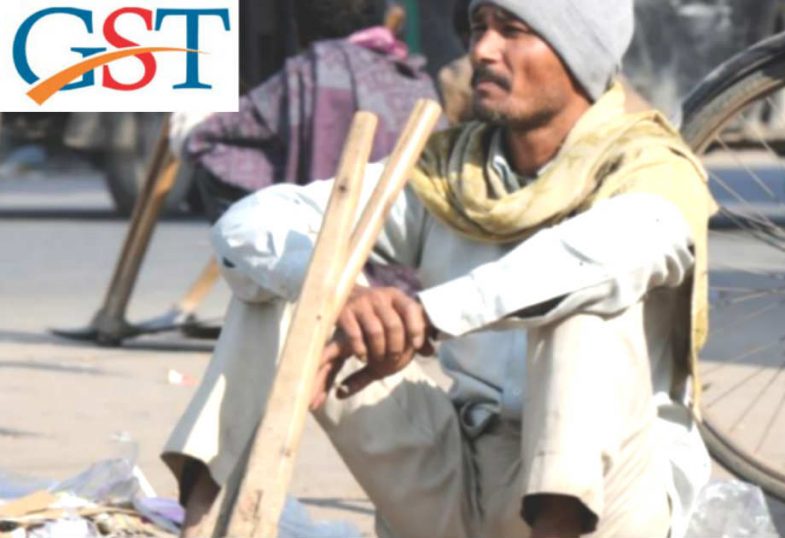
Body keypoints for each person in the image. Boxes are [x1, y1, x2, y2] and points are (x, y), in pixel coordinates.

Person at [163, 0, 718, 536]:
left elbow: (593, 257)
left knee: (584, 307)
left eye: (512, 30)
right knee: (285, 290)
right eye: (480, 27)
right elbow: (249, 223)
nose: (482, 50)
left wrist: (427, 316)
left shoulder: (651, 170)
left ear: (579, 54)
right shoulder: (452, 173)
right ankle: (206, 525)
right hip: (458, 478)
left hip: (606, 501)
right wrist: (340, 292)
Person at [180, 0, 443, 221]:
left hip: (315, 241)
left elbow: (205, 138)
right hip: (406, 248)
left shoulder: (307, 72)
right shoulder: (415, 80)